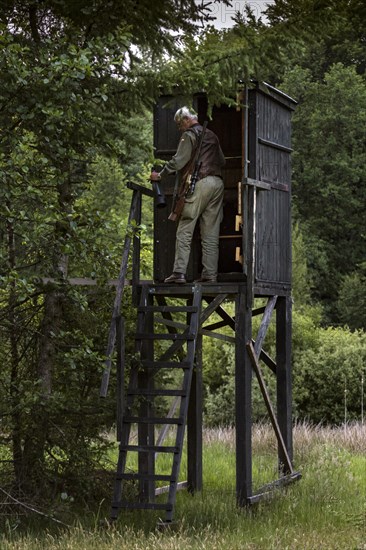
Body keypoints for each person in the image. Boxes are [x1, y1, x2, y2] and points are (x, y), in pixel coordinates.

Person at [150, 106, 225, 283]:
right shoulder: (212, 135)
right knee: (210, 233)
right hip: (217, 183)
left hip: (200, 183)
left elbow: (178, 161)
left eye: (179, 124)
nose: (179, 128)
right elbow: (221, 160)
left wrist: (159, 175)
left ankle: (178, 273)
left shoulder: (189, 135)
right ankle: (209, 275)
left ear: (186, 119)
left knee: (185, 227)